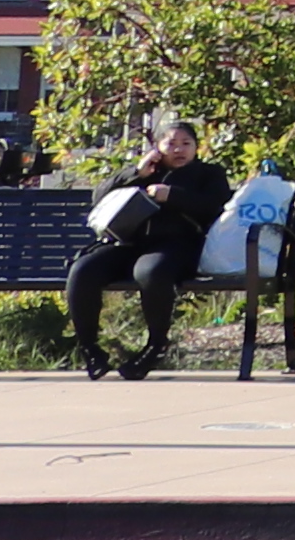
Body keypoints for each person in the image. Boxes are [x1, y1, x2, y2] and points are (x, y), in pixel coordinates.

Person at [65, 130, 231, 381]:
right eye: (171, 143)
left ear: (197, 147)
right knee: (83, 271)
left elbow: (216, 206)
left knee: (151, 272)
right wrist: (135, 173)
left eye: (186, 144)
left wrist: (172, 196)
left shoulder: (209, 173)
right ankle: (90, 349)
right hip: (127, 243)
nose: (179, 150)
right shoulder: (144, 170)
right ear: (157, 147)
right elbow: (99, 198)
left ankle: (155, 346)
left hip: (175, 246)